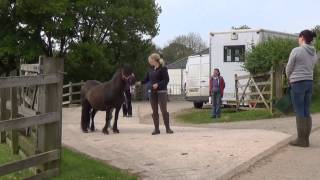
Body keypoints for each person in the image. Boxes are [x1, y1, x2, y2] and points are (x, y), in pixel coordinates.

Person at [286, 29, 318, 147]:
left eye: (299, 37)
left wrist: (289, 78)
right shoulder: (314, 53)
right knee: (306, 110)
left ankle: (301, 140)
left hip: (297, 83)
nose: (298, 40)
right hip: (309, 82)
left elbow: (289, 67)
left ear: (302, 38)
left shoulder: (297, 50)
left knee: (299, 111)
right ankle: (306, 139)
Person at [141, 53, 174, 135]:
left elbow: (166, 80)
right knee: (154, 111)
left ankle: (168, 128)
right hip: (152, 93)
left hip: (161, 92)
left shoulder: (163, 68)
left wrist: (158, 84)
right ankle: (156, 129)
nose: (149, 61)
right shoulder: (151, 69)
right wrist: (136, 82)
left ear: (154, 60)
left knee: (164, 110)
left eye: (150, 60)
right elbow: (145, 80)